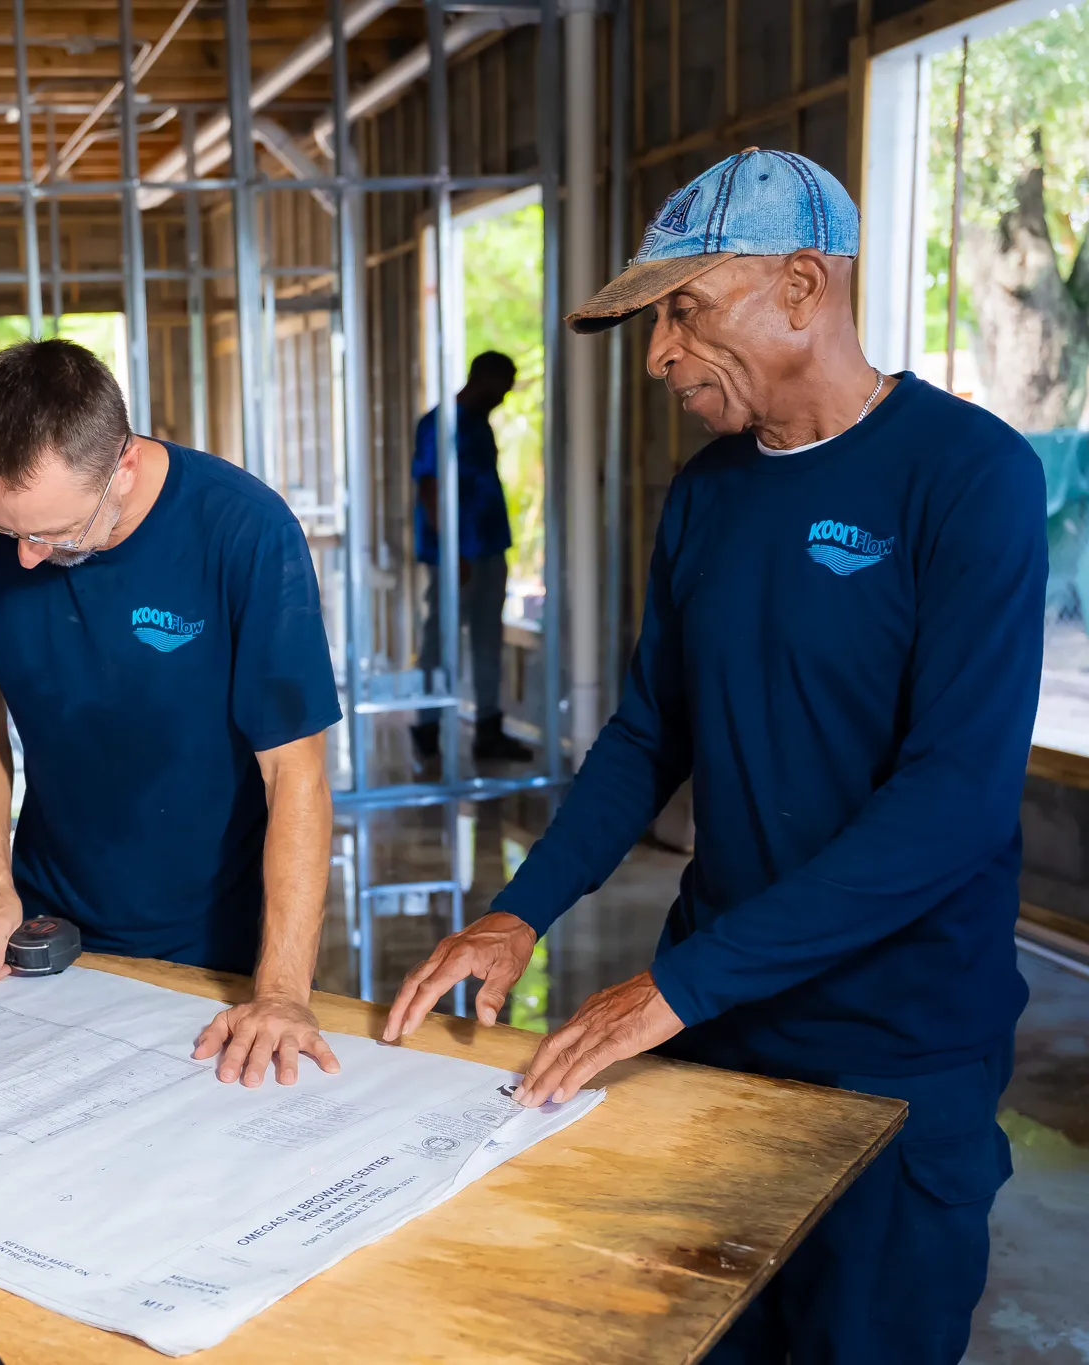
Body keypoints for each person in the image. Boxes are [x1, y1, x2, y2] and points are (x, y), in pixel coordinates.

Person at [383, 148, 1043, 1365]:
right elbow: (647, 734)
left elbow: (949, 802)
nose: (657, 356)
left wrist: (673, 986)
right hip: (719, 1029)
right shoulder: (703, 496)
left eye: (683, 311)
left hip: (893, 1048)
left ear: (802, 286)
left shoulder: (964, 477)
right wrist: (517, 913)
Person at [0, 339, 343, 1088]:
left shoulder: (245, 532)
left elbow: (297, 775)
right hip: (47, 921)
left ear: (121, 467)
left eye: (53, 534)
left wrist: (281, 991)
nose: (23, 556)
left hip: (211, 941)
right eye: (6, 527)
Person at [410, 350, 532, 763]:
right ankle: (427, 726)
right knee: (440, 639)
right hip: (455, 556)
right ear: (484, 379)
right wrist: (451, 551)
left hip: (489, 546)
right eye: (502, 388)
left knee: (487, 639)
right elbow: (430, 490)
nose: (504, 397)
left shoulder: (480, 425)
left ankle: (488, 729)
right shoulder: (438, 424)